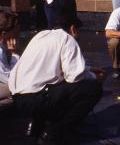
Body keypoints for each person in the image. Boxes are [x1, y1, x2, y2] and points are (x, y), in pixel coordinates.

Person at [9, 15, 106, 144]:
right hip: (36, 99)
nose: (79, 37)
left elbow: (55, 65)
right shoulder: (68, 39)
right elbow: (74, 76)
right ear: (73, 29)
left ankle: (37, 124)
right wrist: (95, 77)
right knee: (92, 88)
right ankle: (54, 133)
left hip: (18, 97)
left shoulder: (41, 35)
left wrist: (88, 69)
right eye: (78, 33)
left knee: (57, 84)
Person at [0, 9, 20, 107]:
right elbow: (10, 79)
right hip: (5, 81)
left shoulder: (2, 46)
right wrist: (15, 54)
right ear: (4, 34)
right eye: (15, 31)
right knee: (19, 90)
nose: (18, 34)